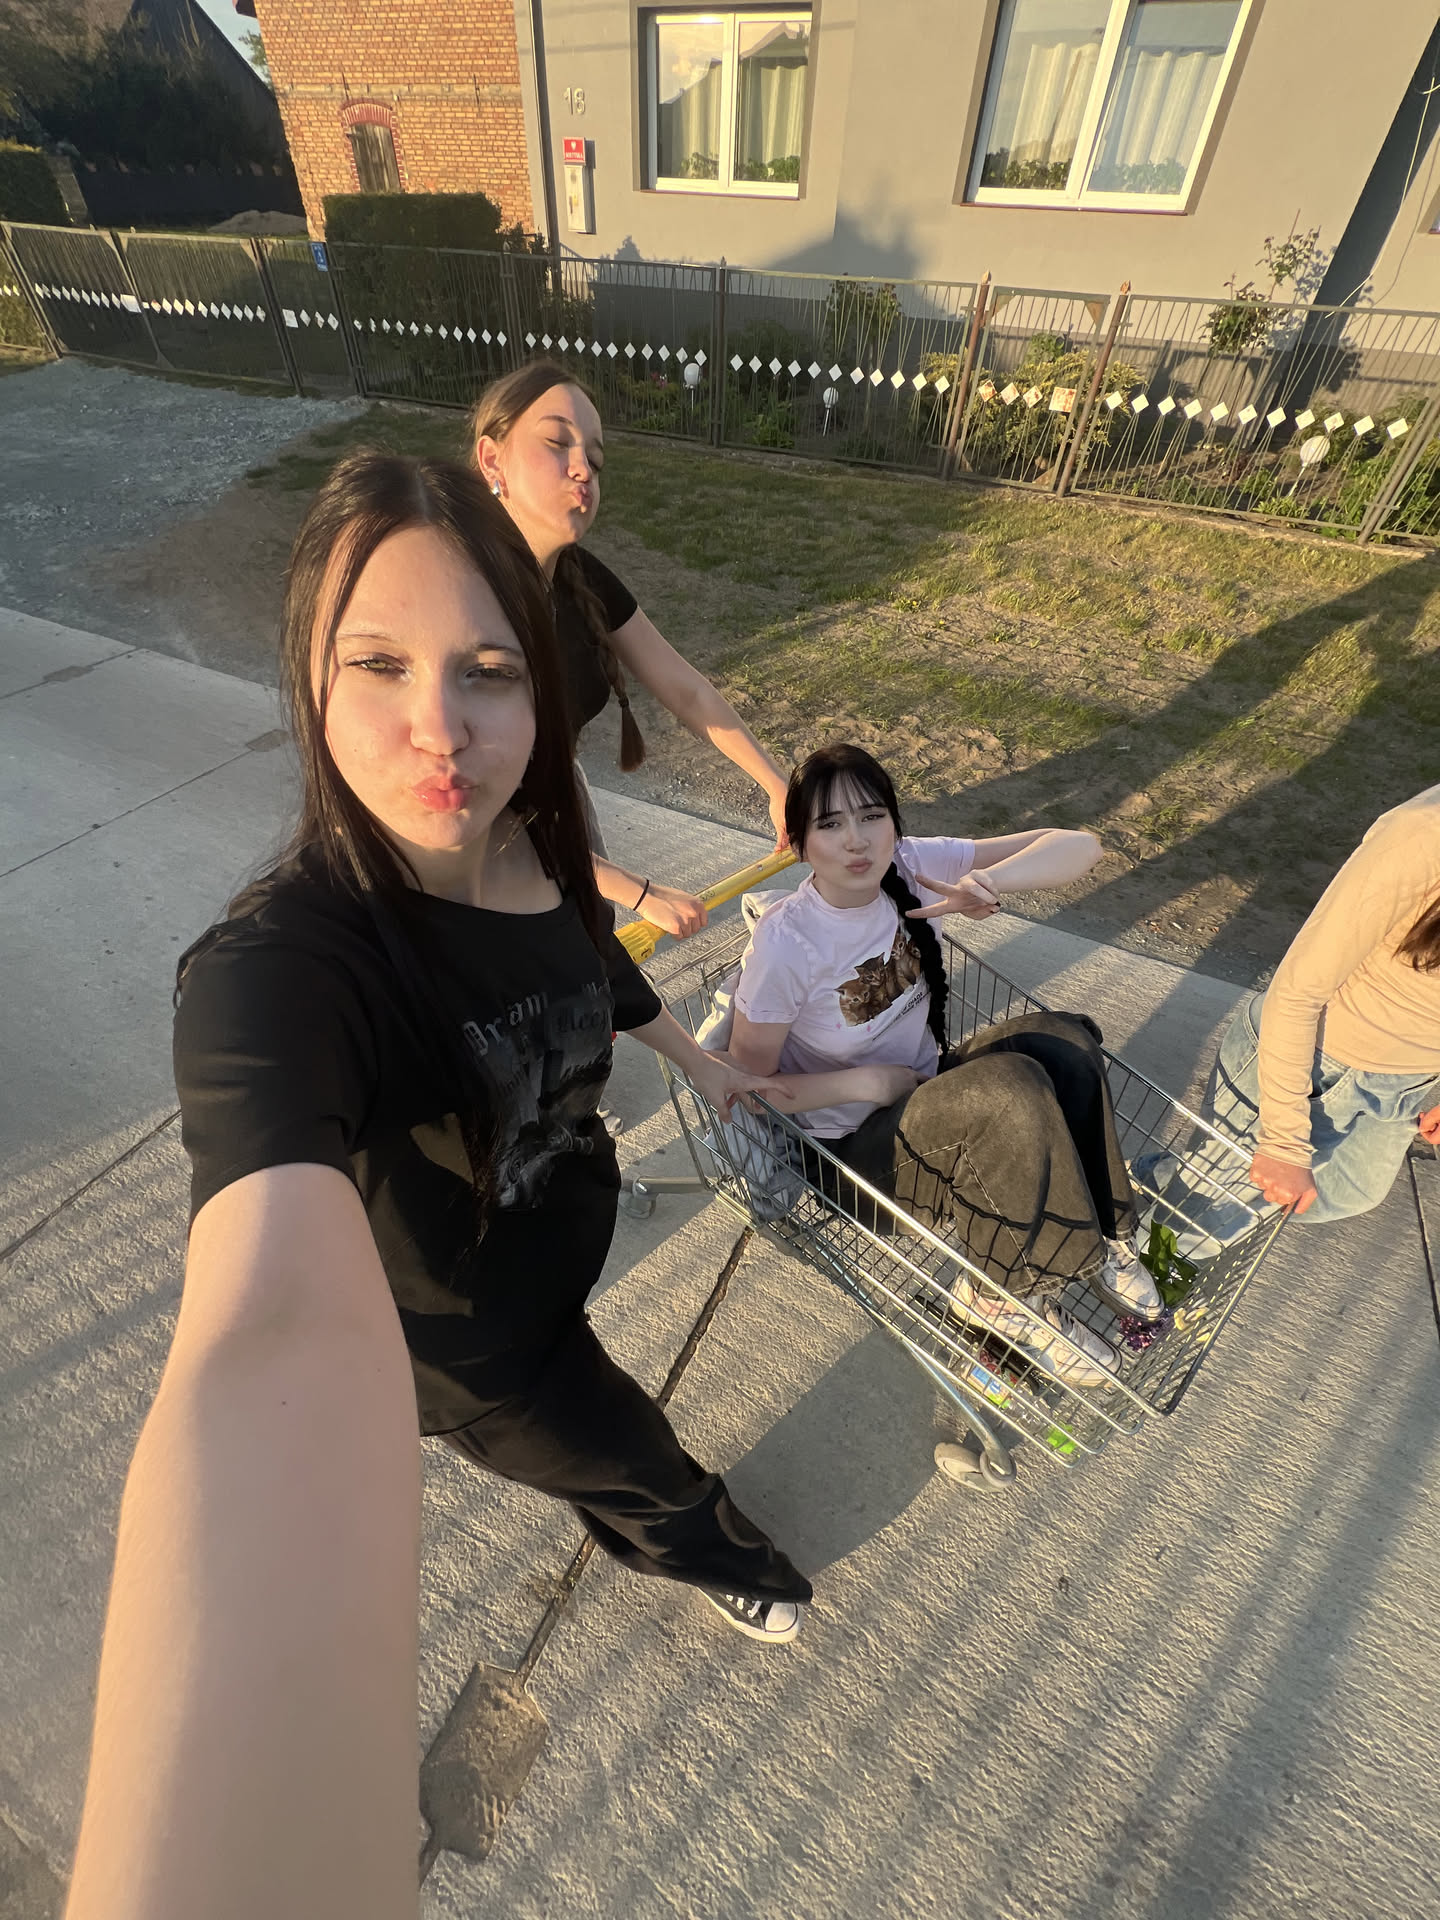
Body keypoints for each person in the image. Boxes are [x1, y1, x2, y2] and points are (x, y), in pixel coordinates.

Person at [63, 453, 810, 1920]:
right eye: (379, 665)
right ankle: (719, 1556)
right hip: (475, 1356)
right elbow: (265, 1333)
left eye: (487, 671)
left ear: (539, 690)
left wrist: (703, 1062)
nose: (440, 728)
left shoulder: (532, 845)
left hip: (560, 1238)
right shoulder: (285, 971)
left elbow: (594, 969)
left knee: (604, 1435)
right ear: (310, 683)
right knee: (638, 1460)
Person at [721, 744, 1165, 1392]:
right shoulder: (788, 945)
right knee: (1008, 1095)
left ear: (893, 823)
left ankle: (1107, 1234)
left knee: (1064, 1042)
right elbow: (746, 1087)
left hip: (928, 1097)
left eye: (871, 816)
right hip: (852, 1157)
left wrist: (994, 883)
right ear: (798, 842)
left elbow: (1080, 846)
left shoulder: (907, 865)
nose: (856, 841)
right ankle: (998, 1299)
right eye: (830, 824)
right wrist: (864, 1083)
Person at [471, 359, 792, 940]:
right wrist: (636, 890)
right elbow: (484, 809)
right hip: (482, 867)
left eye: (595, 459)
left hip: (561, 824)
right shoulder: (466, 600)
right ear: (492, 460)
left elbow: (685, 690)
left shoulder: (579, 576)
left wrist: (776, 786)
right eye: (557, 443)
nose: (582, 469)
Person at [1144, 783, 1440, 1256]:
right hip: (1321, 1063)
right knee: (1194, 1230)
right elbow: (1298, 991)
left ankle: (1142, 1184)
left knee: (1350, 1190)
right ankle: (1120, 1277)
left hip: (1407, 1081)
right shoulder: (1423, 834)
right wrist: (1284, 1144)